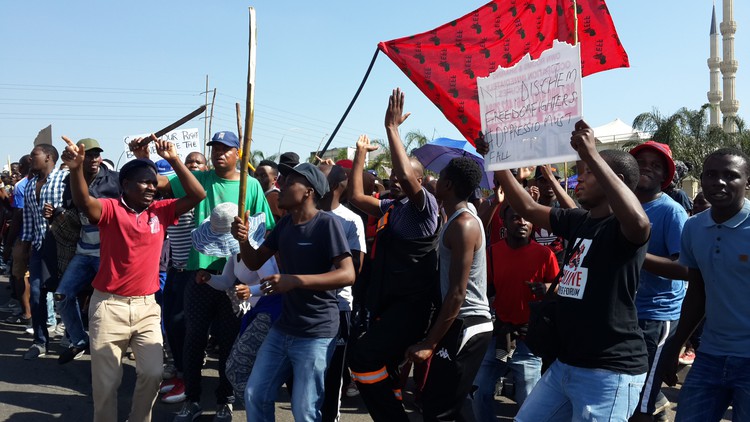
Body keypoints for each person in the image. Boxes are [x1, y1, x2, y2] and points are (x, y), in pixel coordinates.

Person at [477, 120, 650, 421]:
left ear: (614, 180)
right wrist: (496, 159)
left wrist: (593, 153)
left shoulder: (624, 230)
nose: (578, 180)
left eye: (587, 173)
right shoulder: (579, 220)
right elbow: (529, 209)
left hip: (608, 372)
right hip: (565, 364)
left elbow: (640, 224)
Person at [60, 135, 206, 422]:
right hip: (109, 307)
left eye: (154, 183)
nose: (152, 187)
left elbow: (198, 194)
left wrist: (175, 159)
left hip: (147, 309)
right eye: (144, 182)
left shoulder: (161, 212)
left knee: (152, 374)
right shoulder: (111, 210)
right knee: (106, 385)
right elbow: (83, 201)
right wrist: (77, 168)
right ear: (125, 185)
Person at [132, 130, 274, 422]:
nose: (219, 153)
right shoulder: (200, 181)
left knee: (229, 342)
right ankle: (193, 399)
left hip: (236, 279)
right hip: (200, 275)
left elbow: (264, 230)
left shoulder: (253, 187)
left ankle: (226, 400)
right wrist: (144, 160)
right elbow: (159, 184)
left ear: (238, 154)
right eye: (215, 148)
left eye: (226, 149)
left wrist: (251, 271)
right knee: (193, 340)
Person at [236, 162, 356, 422]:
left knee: (305, 411)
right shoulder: (285, 225)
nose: (281, 186)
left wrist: (295, 280)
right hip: (284, 328)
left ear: (308, 192)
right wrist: (242, 239)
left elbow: (348, 274)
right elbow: (254, 262)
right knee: (256, 394)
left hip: (316, 333)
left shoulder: (327, 225)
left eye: (290, 183)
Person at [347, 89, 440, 422]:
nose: (394, 179)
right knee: (382, 367)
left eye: (403, 176)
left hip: (413, 307)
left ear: (418, 180)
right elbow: (356, 195)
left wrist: (392, 130)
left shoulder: (424, 209)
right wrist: (360, 153)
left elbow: (406, 176)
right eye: (392, 176)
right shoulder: (392, 206)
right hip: (387, 303)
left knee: (363, 356)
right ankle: (393, 406)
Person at [657, 148, 750, 422]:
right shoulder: (694, 227)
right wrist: (674, 347)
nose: (718, 182)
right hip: (710, 355)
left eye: (730, 175)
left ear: (747, 181)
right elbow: (697, 293)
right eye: (711, 174)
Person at [404, 156, 493, 420]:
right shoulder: (457, 218)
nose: (435, 181)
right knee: (450, 406)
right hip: (458, 322)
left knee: (439, 410)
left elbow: (457, 293)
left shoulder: (463, 224)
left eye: (440, 177)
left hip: (468, 323)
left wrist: (429, 342)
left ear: (449, 184)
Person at [473, 203, 559, 419]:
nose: (522, 223)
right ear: (505, 221)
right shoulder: (492, 253)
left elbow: (560, 288)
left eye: (527, 219)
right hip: (500, 336)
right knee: (479, 390)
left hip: (529, 340)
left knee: (528, 402)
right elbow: (487, 288)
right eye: (516, 218)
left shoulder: (545, 254)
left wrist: (547, 288)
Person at [628, 141, 688, 421]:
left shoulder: (671, 211)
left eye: (656, 165)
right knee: (627, 392)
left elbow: (685, 268)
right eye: (642, 162)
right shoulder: (623, 206)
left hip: (656, 317)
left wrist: (637, 254)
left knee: (641, 402)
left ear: (665, 176)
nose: (647, 169)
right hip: (625, 314)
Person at [53, 138, 121, 364]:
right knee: (62, 295)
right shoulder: (70, 180)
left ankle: (113, 347)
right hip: (83, 251)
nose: (93, 159)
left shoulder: (115, 180)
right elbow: (73, 213)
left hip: (109, 253)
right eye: (88, 155)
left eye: (96, 154)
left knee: (108, 302)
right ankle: (79, 340)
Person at [318, 163, 367, 422]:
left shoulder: (351, 220)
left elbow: (354, 268)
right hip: (303, 307)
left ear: (336, 185)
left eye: (321, 179)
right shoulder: (305, 215)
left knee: (332, 374)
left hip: (338, 308)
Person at [160, 151, 208, 403]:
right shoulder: (174, 199)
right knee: (171, 324)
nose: (192, 165)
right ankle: (181, 374)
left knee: (186, 327)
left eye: (198, 163)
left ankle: (189, 382)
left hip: (194, 272)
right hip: (175, 270)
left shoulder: (199, 199)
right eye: (189, 162)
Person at [21, 143, 68, 360]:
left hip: (63, 247)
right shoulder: (31, 185)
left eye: (34, 155)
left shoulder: (64, 178)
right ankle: (40, 341)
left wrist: (59, 214)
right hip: (40, 248)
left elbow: (75, 208)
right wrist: (26, 248)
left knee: (68, 294)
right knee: (37, 294)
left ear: (48, 157)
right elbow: (29, 220)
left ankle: (72, 337)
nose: (31, 159)